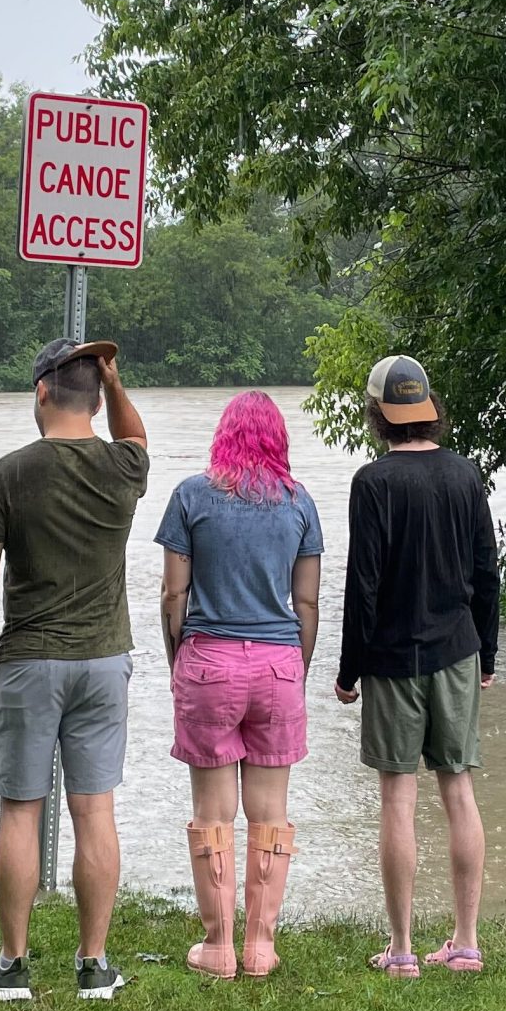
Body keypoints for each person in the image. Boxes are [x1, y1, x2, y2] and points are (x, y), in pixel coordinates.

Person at [0, 337, 149, 1001]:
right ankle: (94, 965)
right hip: (103, 661)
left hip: (31, 660)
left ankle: (13, 967)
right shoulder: (123, 469)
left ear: (41, 392)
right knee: (95, 810)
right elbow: (137, 435)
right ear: (97, 398)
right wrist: (115, 384)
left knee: (20, 811)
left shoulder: (10, 473)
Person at [333, 354, 500, 977]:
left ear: (378, 414)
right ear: (428, 409)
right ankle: (465, 942)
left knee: (397, 799)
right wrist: (488, 650)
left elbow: (364, 587)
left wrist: (350, 671)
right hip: (458, 649)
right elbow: (487, 571)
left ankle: (402, 950)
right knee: (458, 789)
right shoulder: (465, 475)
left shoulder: (373, 483)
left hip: (394, 659)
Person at [154, 390, 322, 979]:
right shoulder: (299, 504)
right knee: (270, 812)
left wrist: (179, 657)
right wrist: (295, 668)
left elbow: (174, 594)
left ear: (222, 436)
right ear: (279, 439)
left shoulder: (191, 497)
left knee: (212, 812)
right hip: (278, 663)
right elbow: (306, 601)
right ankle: (261, 948)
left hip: (209, 660)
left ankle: (218, 947)